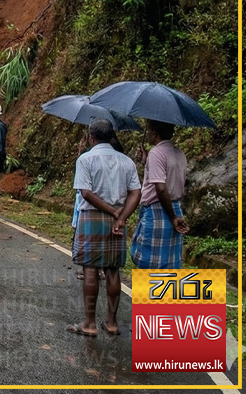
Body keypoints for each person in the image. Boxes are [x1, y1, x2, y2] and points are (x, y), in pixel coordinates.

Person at [70, 118, 140, 337]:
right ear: (111, 137)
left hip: (92, 217)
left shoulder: (85, 160)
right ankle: (111, 322)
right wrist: (120, 217)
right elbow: (136, 192)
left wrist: (111, 211)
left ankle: (89, 323)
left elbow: (86, 193)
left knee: (90, 268)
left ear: (91, 137)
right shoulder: (127, 161)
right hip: (118, 218)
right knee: (112, 270)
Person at [130, 119, 190, 269]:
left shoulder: (156, 153)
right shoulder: (179, 153)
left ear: (154, 132)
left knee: (150, 262)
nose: (148, 133)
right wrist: (146, 162)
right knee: (168, 262)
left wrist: (172, 217)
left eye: (149, 130)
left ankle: (150, 292)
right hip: (175, 207)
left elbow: (161, 188)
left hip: (159, 210)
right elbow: (169, 177)